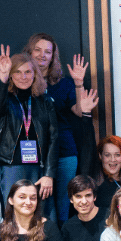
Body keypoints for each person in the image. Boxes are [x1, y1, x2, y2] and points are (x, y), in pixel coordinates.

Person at [25, 33, 98, 221]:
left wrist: (78, 83)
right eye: (38, 50)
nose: (42, 55)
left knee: (63, 208)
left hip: (64, 152)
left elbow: (80, 112)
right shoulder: (22, 81)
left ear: (53, 56)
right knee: (38, 208)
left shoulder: (62, 83)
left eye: (47, 52)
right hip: (34, 153)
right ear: (30, 52)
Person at [0, 47, 59, 201]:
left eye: (27, 72)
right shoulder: (3, 97)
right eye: (17, 72)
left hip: (39, 169)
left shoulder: (45, 101)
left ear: (35, 74)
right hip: (11, 166)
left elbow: (53, 139)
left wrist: (49, 174)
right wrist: (3, 76)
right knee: (14, 209)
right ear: (11, 75)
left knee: (39, 212)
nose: (23, 77)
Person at [91, 135, 121, 213]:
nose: (113, 160)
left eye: (117, 155)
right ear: (100, 156)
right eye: (107, 155)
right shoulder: (95, 187)